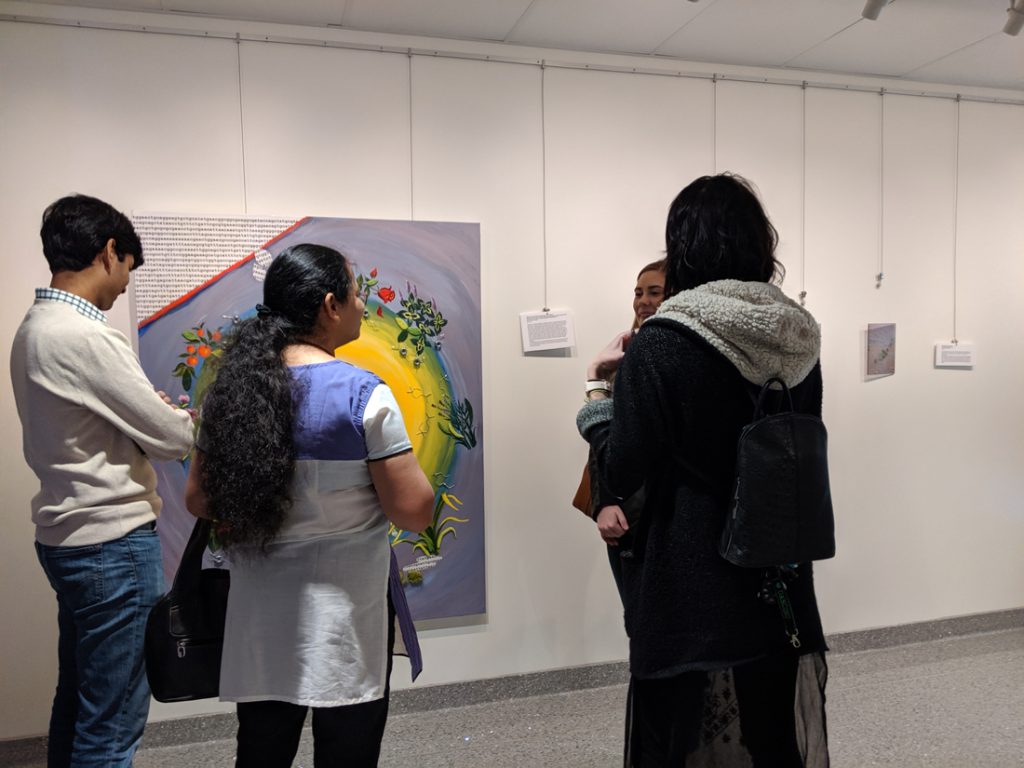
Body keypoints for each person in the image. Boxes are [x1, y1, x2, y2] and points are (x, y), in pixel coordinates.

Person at [577, 174, 829, 766]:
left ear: (684, 246)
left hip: (688, 576)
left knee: (675, 736)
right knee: (771, 735)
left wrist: (596, 397)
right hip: (776, 571)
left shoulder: (664, 342)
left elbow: (622, 466)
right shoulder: (798, 342)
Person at [185, 243, 434, 768]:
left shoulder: (230, 391)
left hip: (260, 616)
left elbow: (199, 498)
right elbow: (413, 510)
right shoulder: (362, 394)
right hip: (343, 619)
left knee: (261, 750)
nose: (363, 304)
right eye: (356, 292)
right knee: (347, 749)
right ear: (330, 304)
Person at [10, 195, 195, 767]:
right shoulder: (86, 336)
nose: (121, 287)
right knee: (112, 724)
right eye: (127, 270)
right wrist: (170, 419)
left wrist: (145, 420)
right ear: (110, 251)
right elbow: (173, 439)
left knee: (82, 700)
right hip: (110, 544)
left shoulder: (35, 328)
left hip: (70, 538)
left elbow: (96, 427)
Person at [576, 260, 666, 600]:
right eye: (638, 292)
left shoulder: (663, 356)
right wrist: (604, 503)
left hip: (664, 512)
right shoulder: (627, 355)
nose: (642, 301)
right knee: (638, 613)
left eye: (654, 292)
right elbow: (605, 443)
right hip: (628, 512)